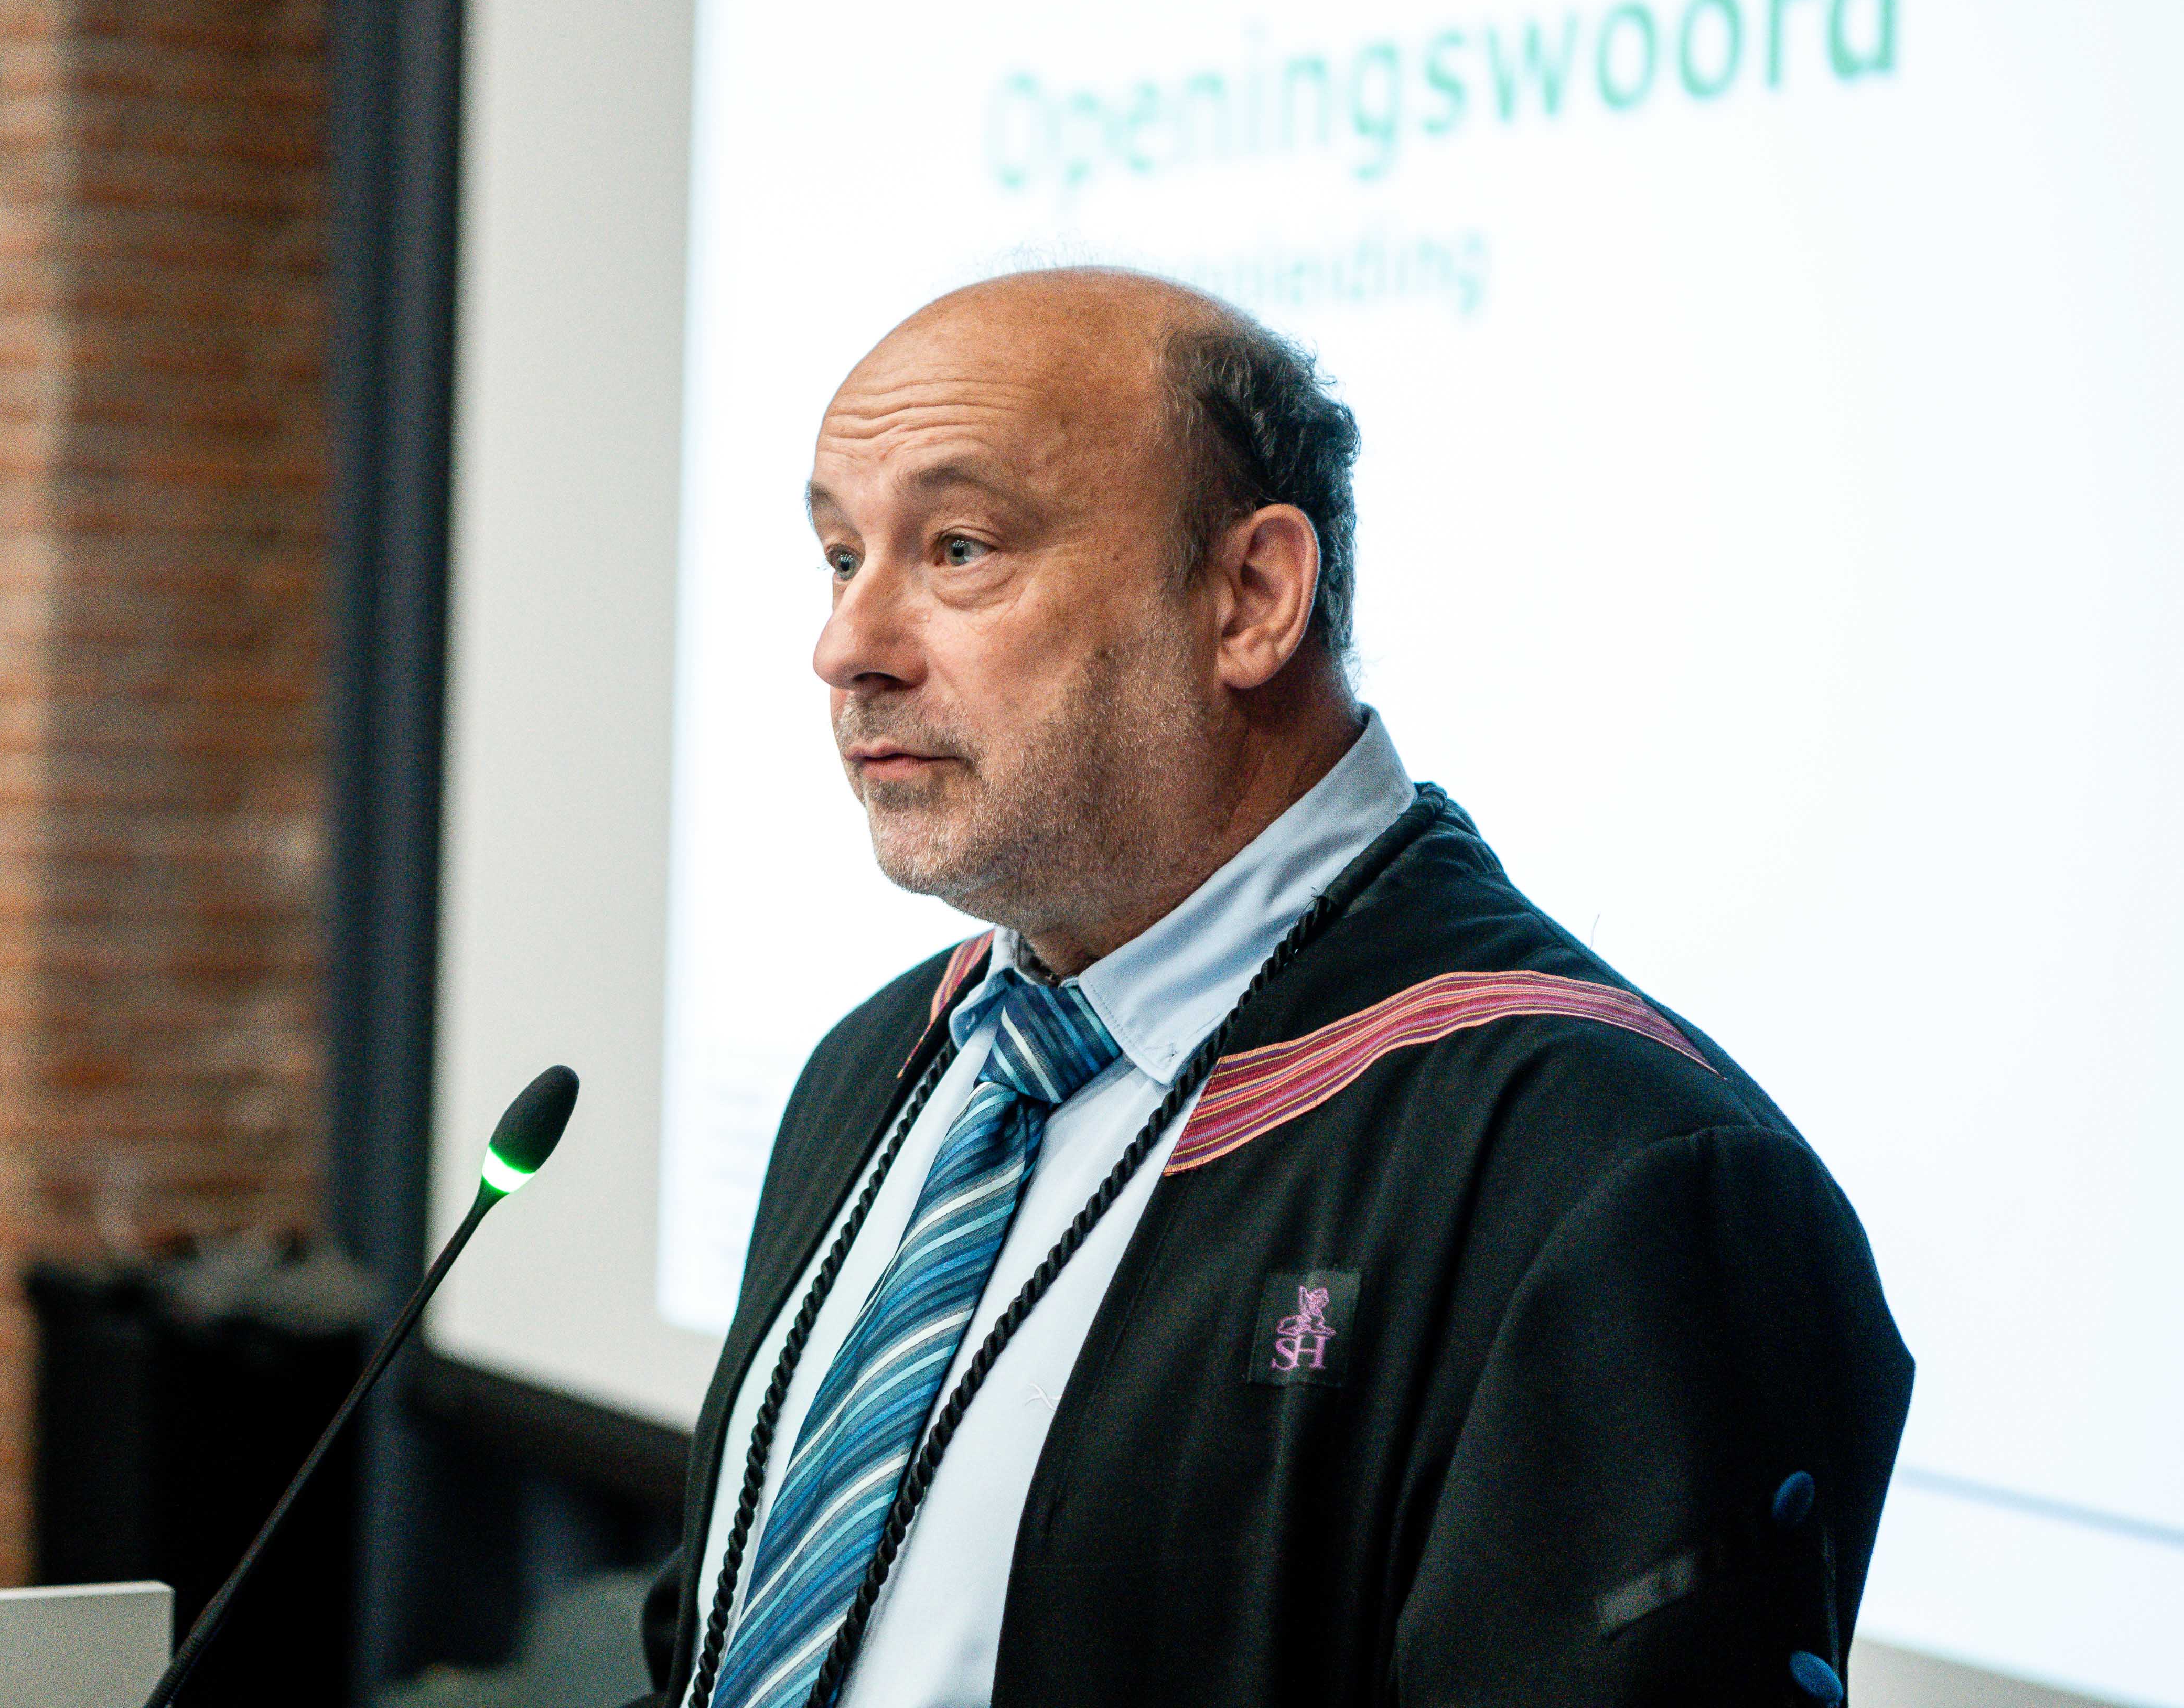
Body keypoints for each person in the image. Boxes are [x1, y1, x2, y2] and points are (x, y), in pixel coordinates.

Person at [628, 269, 1911, 1708]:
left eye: (961, 548)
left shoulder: (1614, 1170)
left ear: (1251, 598)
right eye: (839, 556)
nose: (846, 647)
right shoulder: (880, 1071)